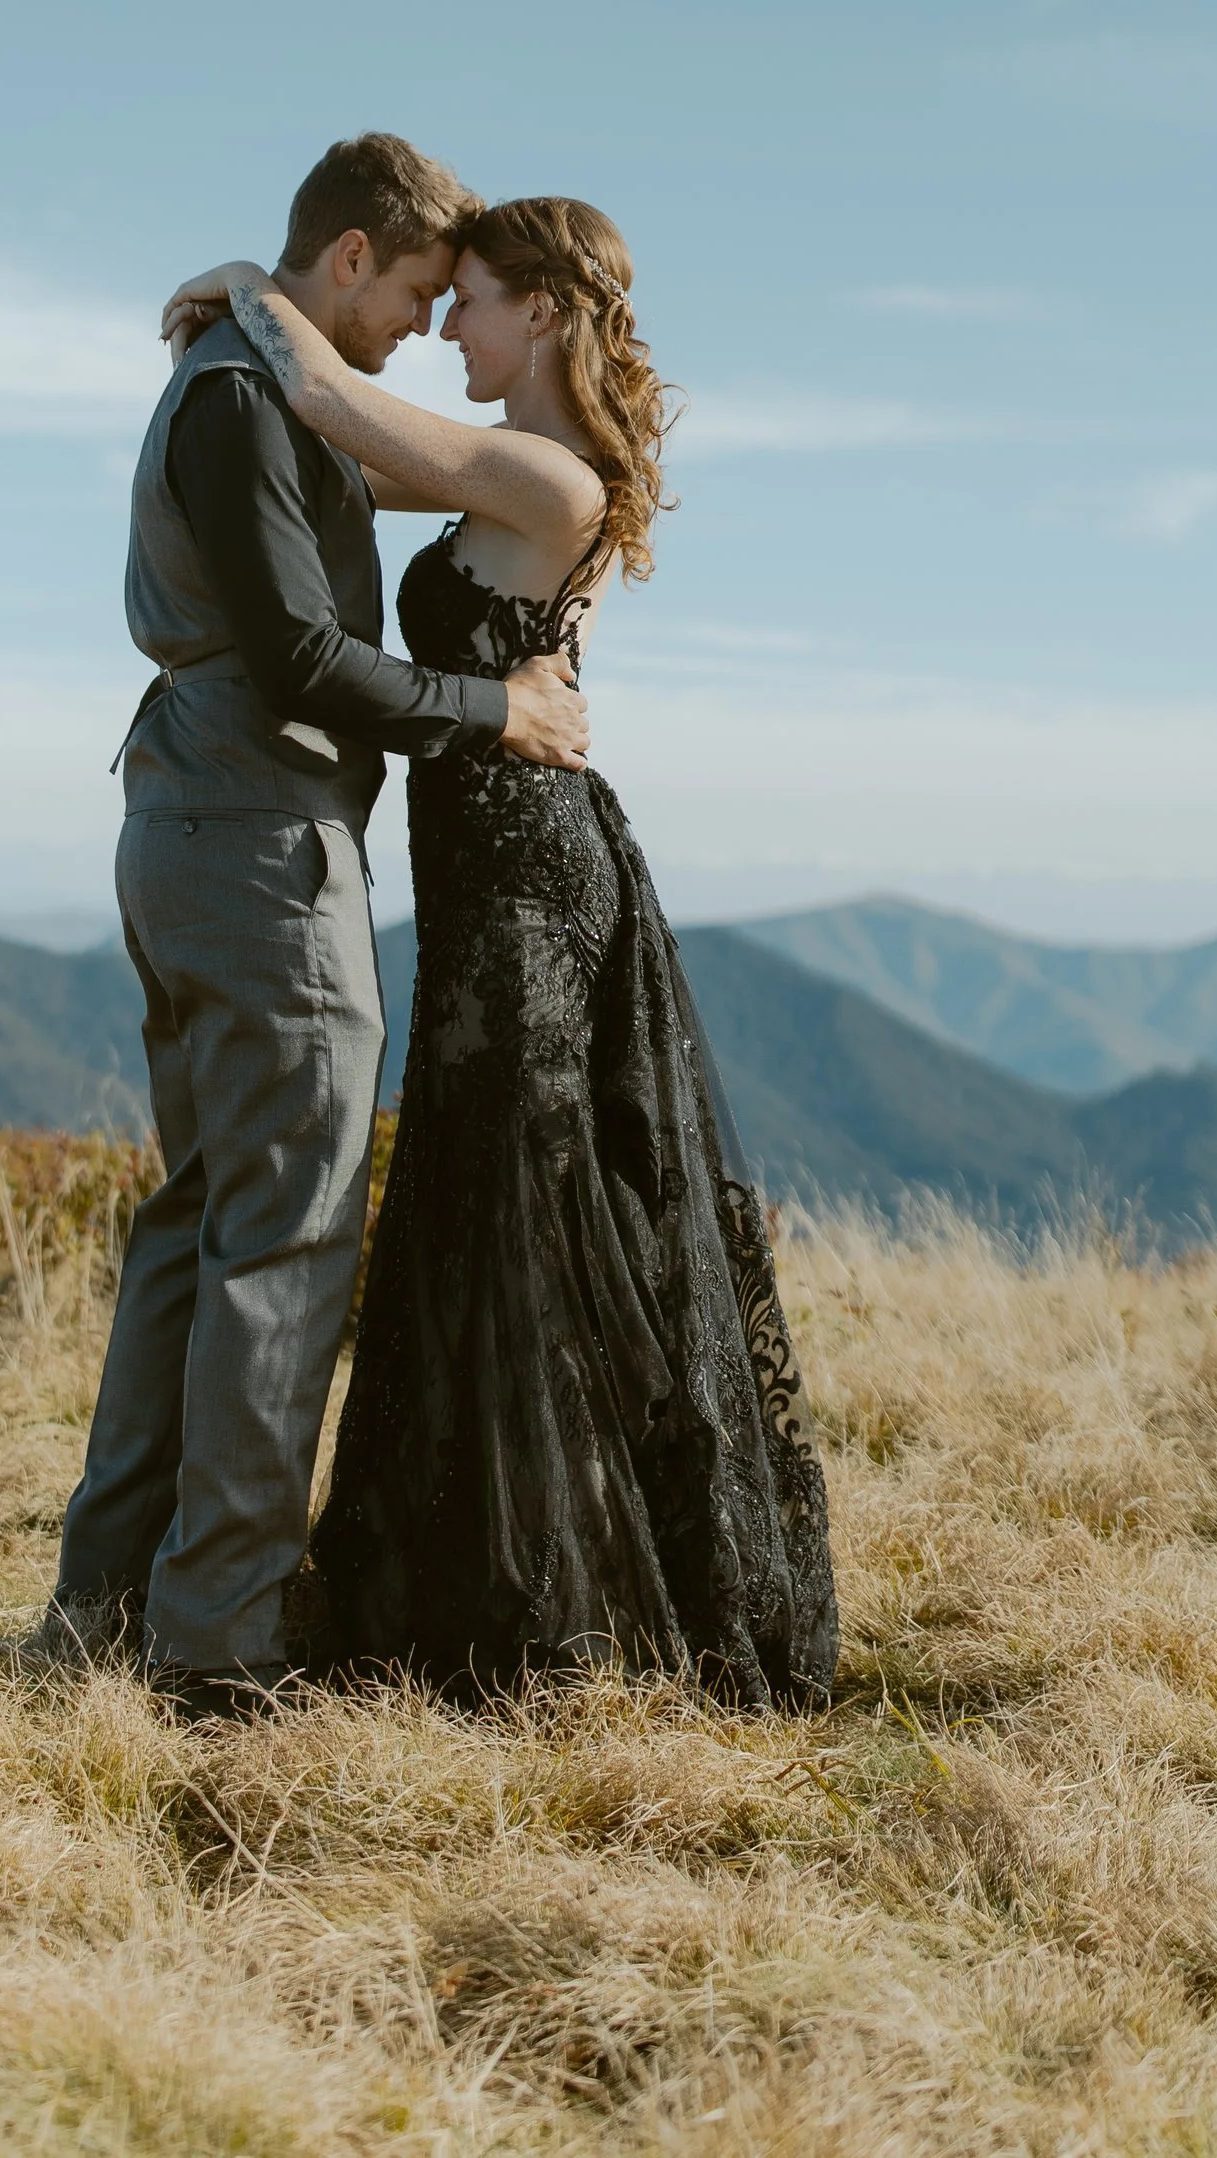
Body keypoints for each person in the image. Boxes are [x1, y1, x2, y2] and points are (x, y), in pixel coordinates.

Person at [163, 197, 837, 1709]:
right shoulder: (503, 466)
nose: (445, 326)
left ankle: (560, 1625)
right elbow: (335, 458)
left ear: (539, 310)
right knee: (485, 1202)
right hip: (488, 874)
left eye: (463, 299)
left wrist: (247, 284)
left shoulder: (545, 474)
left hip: (534, 878)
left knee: (525, 1214)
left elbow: (324, 397)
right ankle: (483, 1594)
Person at [37, 132, 592, 1708]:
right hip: (259, 843)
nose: (421, 325)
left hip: (204, 824)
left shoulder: (252, 385)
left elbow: (389, 470)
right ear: (351, 257)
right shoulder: (238, 399)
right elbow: (298, 654)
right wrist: (497, 709)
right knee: (285, 1233)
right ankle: (218, 1641)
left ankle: (107, 1612)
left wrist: (249, 295)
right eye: (414, 291)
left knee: (201, 1223)